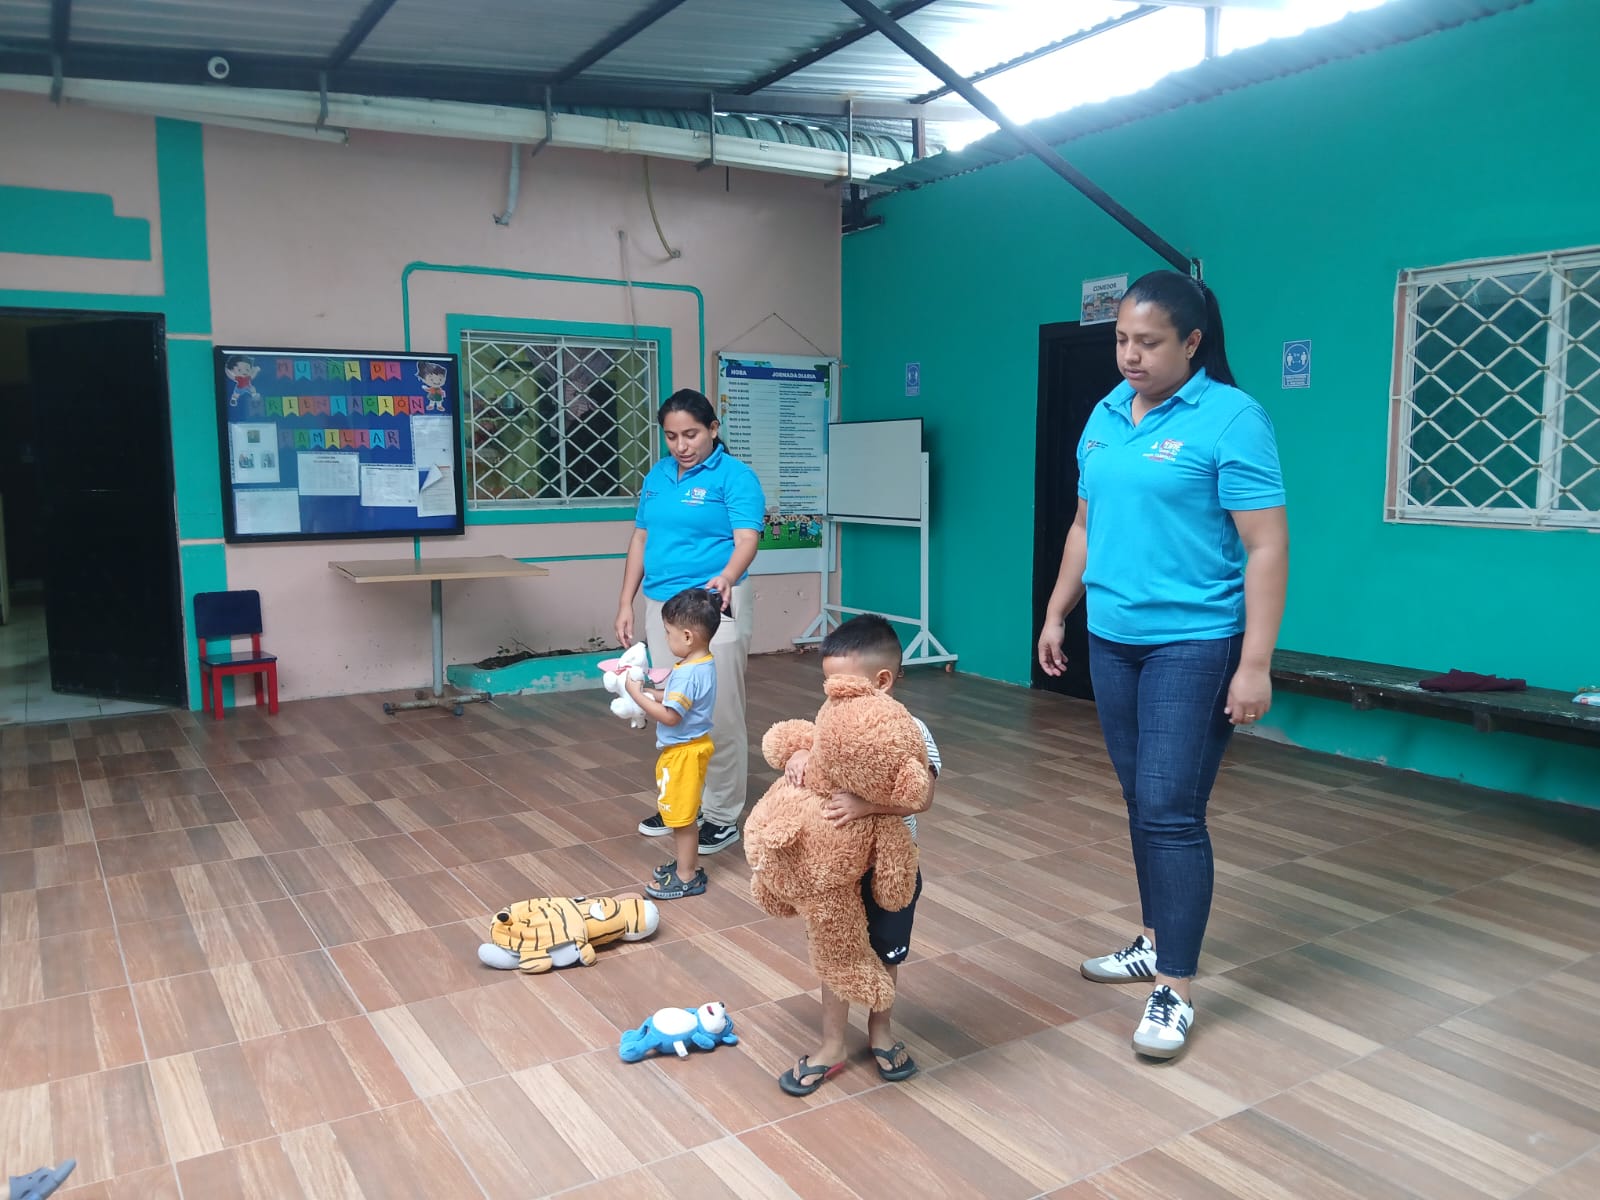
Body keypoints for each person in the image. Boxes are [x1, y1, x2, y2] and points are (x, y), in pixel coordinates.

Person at [1037, 269, 1288, 1061]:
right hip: (1114, 636)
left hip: (1196, 641)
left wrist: (1255, 664)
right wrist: (1058, 610)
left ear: (1193, 342)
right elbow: (1085, 525)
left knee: (1171, 810)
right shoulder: (1107, 413)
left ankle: (1173, 987)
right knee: (1140, 800)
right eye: (1122, 340)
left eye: (1148, 342)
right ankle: (1153, 940)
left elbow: (1266, 546)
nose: (1130, 356)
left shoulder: (1232, 418)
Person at [772, 615, 940, 1095]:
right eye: (827, 686)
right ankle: (831, 1044)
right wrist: (798, 756)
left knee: (887, 953)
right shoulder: (832, 721)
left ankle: (880, 1031)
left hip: (889, 867)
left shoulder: (911, 731)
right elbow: (809, 748)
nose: (832, 696)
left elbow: (922, 795)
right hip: (835, 869)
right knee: (837, 951)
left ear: (882, 681)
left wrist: (867, 806)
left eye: (840, 685)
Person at [617, 389, 765, 857]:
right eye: (671, 436)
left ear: (713, 429)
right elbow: (640, 539)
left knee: (718, 711)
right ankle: (682, 805)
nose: (681, 446)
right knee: (673, 708)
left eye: (692, 434)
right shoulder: (657, 475)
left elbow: (747, 538)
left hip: (712, 603)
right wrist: (626, 601)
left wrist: (727, 576)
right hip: (662, 604)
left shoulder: (735, 477)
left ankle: (720, 815)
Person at [625, 587, 722, 900]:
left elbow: (670, 716)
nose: (666, 639)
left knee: (681, 818)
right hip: (694, 747)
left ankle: (686, 876)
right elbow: (676, 701)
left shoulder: (687, 674)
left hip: (683, 753)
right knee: (684, 813)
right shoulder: (701, 663)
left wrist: (637, 695)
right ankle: (686, 865)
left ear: (688, 636)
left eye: (668, 633)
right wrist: (650, 693)